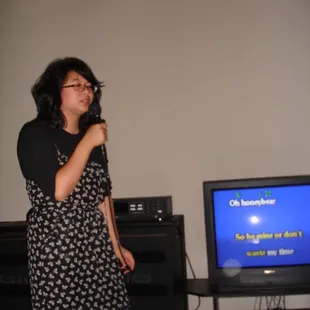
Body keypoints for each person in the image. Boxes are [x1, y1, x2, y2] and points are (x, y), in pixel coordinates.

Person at [17, 57, 135, 310]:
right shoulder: (35, 133)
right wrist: (88, 142)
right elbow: (58, 191)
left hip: (94, 239)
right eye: (76, 84)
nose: (87, 90)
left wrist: (115, 246)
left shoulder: (90, 138)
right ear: (54, 91)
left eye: (90, 85)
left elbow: (103, 197)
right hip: (56, 241)